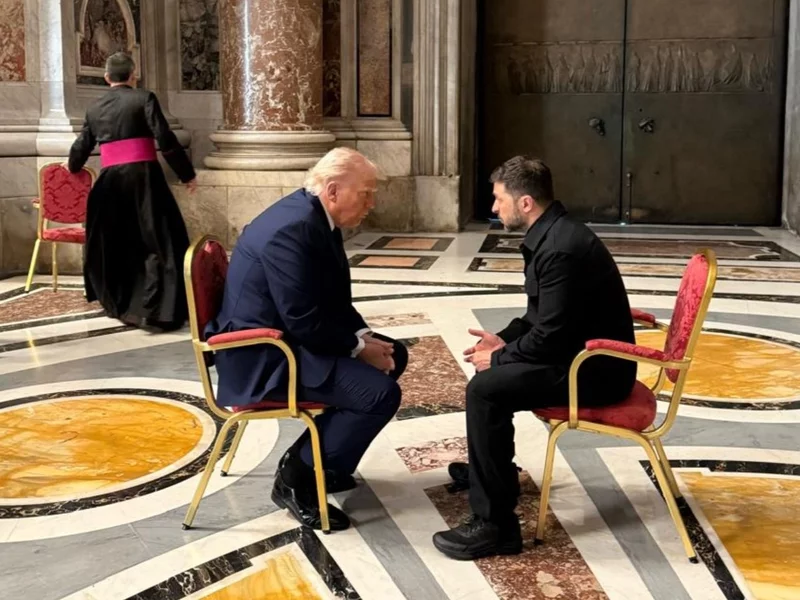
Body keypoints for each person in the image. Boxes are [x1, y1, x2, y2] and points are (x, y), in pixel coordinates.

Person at [432, 156, 637, 560]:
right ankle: (495, 477)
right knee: (489, 383)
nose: (494, 207)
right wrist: (502, 341)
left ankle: (496, 527)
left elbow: (551, 337)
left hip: (594, 371)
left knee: (486, 390)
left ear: (525, 202)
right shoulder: (553, 235)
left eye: (499, 199)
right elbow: (538, 318)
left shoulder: (560, 249)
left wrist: (501, 358)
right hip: (579, 356)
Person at [206, 147, 408, 531]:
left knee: (395, 355)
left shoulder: (314, 216)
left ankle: (328, 462)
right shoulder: (293, 228)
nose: (371, 203)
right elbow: (303, 318)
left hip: (289, 338)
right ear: (332, 190)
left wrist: (363, 336)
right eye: (365, 193)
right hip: (263, 356)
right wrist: (358, 348)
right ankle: (296, 477)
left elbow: (329, 298)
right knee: (379, 395)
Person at [68, 52, 197, 332]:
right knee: (159, 240)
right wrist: (186, 173)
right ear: (133, 75)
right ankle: (158, 309)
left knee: (117, 242)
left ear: (107, 77)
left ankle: (120, 302)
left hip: (110, 182)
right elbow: (165, 138)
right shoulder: (144, 98)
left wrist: (73, 167)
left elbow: (82, 145)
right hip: (144, 178)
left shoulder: (94, 107)